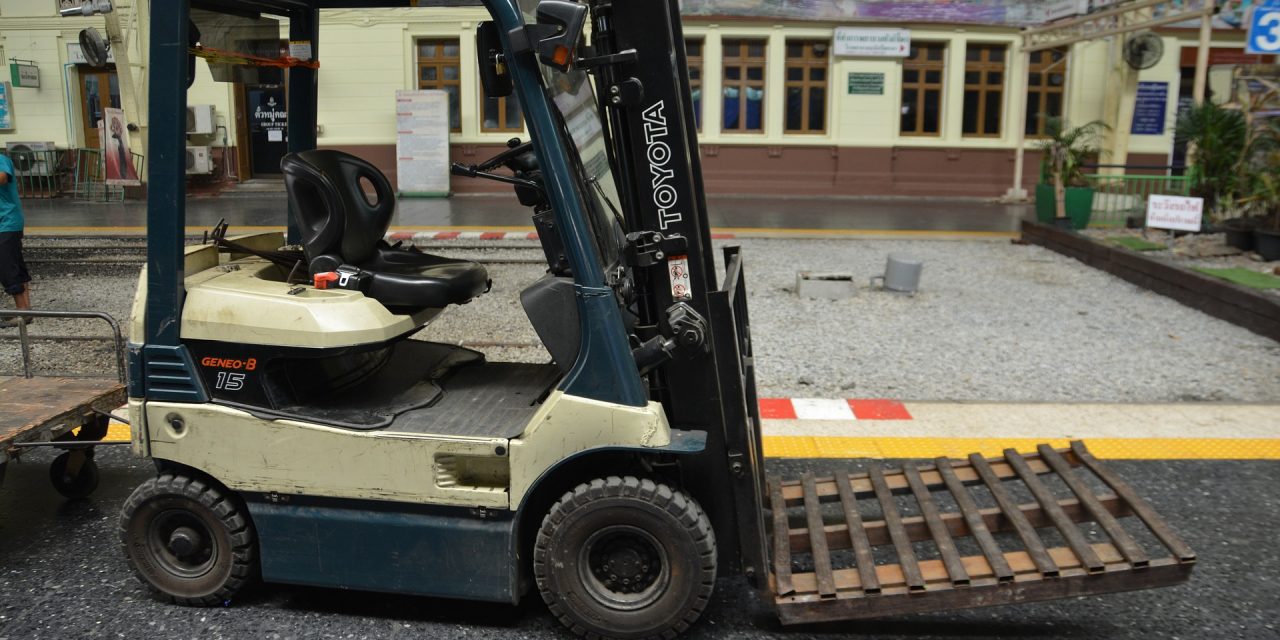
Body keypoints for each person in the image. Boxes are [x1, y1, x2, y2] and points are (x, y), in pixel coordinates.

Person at [0, 152, 32, 327]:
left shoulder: (0, 160)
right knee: (16, 264)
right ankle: (26, 310)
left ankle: (22, 312)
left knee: (7, 266)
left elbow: (3, 177)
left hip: (7, 222)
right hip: (6, 222)